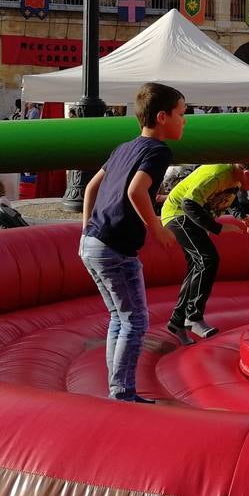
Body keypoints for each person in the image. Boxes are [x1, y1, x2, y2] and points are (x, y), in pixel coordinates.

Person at [80, 83, 184, 403]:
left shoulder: (124, 147)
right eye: (182, 114)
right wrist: (158, 229)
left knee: (119, 318)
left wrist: (86, 231)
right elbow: (136, 192)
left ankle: (117, 386)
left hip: (93, 243)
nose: (185, 120)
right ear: (163, 117)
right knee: (136, 321)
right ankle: (122, 392)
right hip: (116, 248)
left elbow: (90, 189)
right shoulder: (158, 151)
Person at [160, 161, 249, 342]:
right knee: (208, 259)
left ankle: (177, 321)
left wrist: (241, 216)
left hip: (191, 217)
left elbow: (229, 198)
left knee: (197, 266)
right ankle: (193, 316)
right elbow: (188, 203)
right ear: (247, 174)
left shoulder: (236, 179)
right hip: (179, 214)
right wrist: (218, 228)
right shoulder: (218, 173)